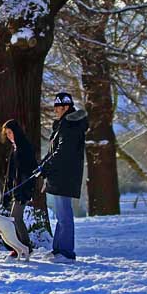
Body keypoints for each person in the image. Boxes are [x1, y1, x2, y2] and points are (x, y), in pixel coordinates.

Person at [39, 92, 88, 263]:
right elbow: (53, 152)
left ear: (66, 107)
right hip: (59, 175)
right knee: (60, 214)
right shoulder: (63, 125)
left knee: (65, 214)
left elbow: (62, 152)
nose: (56, 111)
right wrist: (43, 165)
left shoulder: (70, 125)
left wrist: (46, 167)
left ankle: (66, 252)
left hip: (65, 175)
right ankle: (58, 249)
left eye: (58, 108)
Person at [0, 119, 36, 257]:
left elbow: (28, 171)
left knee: (15, 217)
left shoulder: (24, 147)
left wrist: (25, 189)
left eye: (10, 132)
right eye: (6, 133)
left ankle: (24, 246)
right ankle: (22, 246)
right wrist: (7, 192)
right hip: (17, 189)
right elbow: (11, 173)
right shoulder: (15, 148)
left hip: (23, 190)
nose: (9, 136)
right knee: (14, 218)